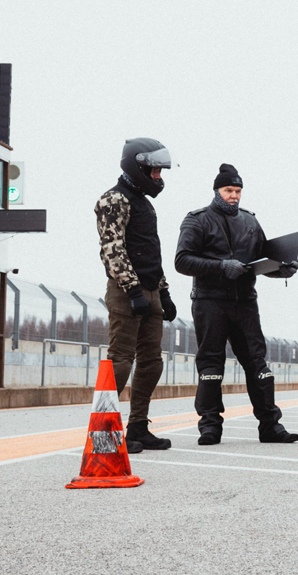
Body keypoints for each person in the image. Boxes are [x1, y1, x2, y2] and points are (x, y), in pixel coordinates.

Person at [174, 163, 298, 445]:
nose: (234, 195)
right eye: (229, 190)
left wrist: (283, 269)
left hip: (245, 303)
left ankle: (270, 425)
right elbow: (181, 261)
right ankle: (210, 426)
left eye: (238, 190)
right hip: (209, 302)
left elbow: (263, 261)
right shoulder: (197, 220)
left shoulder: (250, 221)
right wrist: (221, 267)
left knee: (258, 364)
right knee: (211, 365)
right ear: (217, 190)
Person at [94, 137, 179, 454]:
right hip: (125, 292)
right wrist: (132, 290)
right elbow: (112, 250)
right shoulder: (113, 199)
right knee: (119, 363)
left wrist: (164, 292)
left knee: (151, 364)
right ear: (138, 166)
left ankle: (138, 429)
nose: (159, 177)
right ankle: (104, 433)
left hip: (152, 291)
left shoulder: (145, 203)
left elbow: (150, 253)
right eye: (155, 171)